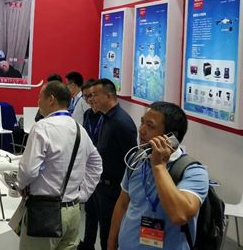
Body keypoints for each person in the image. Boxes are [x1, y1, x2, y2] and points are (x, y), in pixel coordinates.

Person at [107, 102, 209, 250]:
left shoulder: (193, 171)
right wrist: (111, 243)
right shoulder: (137, 160)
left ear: (170, 137)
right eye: (142, 122)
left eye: (150, 126)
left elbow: (180, 215)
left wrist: (159, 166)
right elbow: (123, 203)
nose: (141, 130)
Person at [17, 80, 103, 250]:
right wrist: (83, 194)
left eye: (40, 97)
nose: (37, 101)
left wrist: (20, 185)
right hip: (73, 212)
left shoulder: (42, 127)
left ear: (51, 99)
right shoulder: (79, 129)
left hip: (44, 211)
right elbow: (96, 163)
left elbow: (28, 170)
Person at [87, 79, 137, 250]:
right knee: (103, 230)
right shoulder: (105, 118)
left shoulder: (121, 122)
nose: (91, 99)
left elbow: (131, 161)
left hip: (114, 190)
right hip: (101, 186)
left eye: (95, 95)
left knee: (109, 236)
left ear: (109, 96)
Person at [77, 79, 102, 250]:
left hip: (105, 175)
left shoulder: (108, 117)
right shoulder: (87, 115)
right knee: (90, 210)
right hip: (88, 168)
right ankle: (88, 244)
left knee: (103, 216)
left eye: (92, 95)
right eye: (86, 97)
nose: (89, 100)